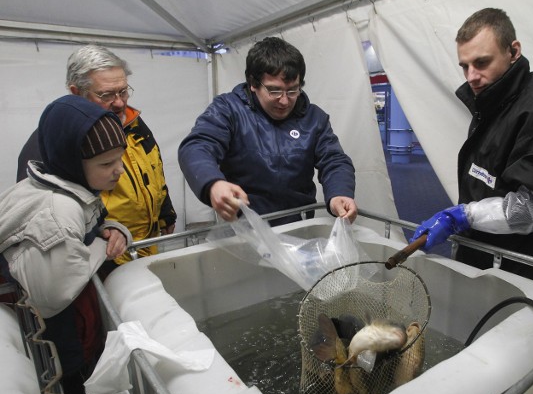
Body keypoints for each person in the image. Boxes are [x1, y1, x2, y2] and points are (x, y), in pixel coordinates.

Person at [410, 8, 533, 289]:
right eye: (464, 66)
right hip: (489, 263)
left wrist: (462, 215)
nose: (471, 76)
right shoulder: (494, 103)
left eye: (482, 62)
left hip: (526, 276)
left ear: (513, 51)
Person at [0, 95, 132, 394]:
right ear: (73, 162)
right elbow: (53, 296)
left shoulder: (57, 181)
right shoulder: (59, 210)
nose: (119, 170)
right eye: (107, 164)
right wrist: (103, 245)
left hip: (73, 331)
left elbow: (90, 226)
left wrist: (112, 228)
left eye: (120, 159)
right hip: (65, 345)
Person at [16, 44, 176, 271]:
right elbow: (43, 217)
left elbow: (152, 168)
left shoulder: (134, 122)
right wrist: (100, 231)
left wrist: (165, 213)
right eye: (106, 95)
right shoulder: (52, 143)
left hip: (145, 246)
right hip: (107, 257)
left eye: (123, 91)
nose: (120, 102)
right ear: (76, 92)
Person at [178, 36, 357, 226]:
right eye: (274, 91)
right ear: (253, 84)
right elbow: (197, 147)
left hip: (299, 226)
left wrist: (339, 193)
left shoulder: (315, 119)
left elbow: (334, 160)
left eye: (292, 91)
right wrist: (213, 183)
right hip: (245, 228)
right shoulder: (228, 110)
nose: (284, 101)